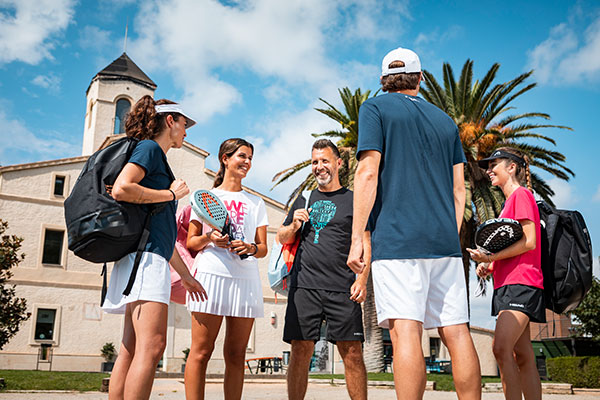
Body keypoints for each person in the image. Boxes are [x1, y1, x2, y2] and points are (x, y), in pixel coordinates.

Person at [347, 47, 481, 400]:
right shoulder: (446, 122)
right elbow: (458, 190)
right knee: (457, 333)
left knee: (405, 332)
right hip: (444, 245)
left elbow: (367, 172)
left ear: (382, 81)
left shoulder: (374, 107)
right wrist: (447, 236)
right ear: (420, 79)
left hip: (397, 241)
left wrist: (358, 237)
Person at [102, 95, 207, 400]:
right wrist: (170, 194)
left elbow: (164, 233)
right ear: (170, 121)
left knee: (130, 347)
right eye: (184, 124)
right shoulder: (149, 149)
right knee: (152, 346)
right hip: (145, 262)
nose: (186, 132)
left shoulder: (150, 154)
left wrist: (185, 276)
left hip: (141, 256)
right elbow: (123, 189)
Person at [278, 139, 369, 400]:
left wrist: (361, 279)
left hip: (343, 287)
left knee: (352, 353)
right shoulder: (303, 198)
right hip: (304, 286)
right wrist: (293, 226)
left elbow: (365, 242)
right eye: (315, 161)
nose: (319, 166)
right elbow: (281, 238)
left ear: (339, 163)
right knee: (300, 350)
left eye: (325, 160)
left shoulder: (355, 200)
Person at [185, 138, 269, 400]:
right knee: (201, 351)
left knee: (236, 354)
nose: (247, 162)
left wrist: (250, 248)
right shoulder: (205, 198)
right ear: (225, 158)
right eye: (242, 156)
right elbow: (191, 242)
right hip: (211, 277)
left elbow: (263, 247)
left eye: (250, 158)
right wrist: (211, 238)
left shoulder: (256, 203)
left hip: (245, 279)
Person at [467, 148, 544, 400]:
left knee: (500, 349)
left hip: (522, 284)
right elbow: (514, 248)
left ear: (511, 167)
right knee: (522, 355)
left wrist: (489, 257)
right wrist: (490, 267)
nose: (488, 170)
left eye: (494, 164)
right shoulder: (508, 203)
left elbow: (530, 241)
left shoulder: (521, 195)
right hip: (508, 285)